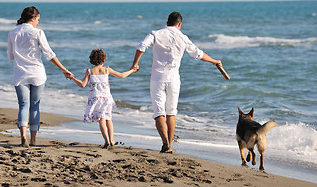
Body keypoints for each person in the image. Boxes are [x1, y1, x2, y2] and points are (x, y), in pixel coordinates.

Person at [131, 12, 222, 153]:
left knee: (159, 113)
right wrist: (214, 61)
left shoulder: (155, 34)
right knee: (171, 113)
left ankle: (165, 143)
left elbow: (141, 46)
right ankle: (169, 145)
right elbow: (198, 54)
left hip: (157, 78)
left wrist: (135, 64)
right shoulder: (183, 37)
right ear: (180, 24)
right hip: (174, 79)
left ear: (167, 22)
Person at [7, 6, 73, 148]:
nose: (38, 23)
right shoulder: (38, 33)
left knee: (23, 105)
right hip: (37, 73)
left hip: (20, 73)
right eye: (38, 20)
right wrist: (64, 69)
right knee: (35, 106)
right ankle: (33, 140)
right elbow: (49, 54)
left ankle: (23, 136)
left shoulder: (12, 33)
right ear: (32, 19)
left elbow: (11, 56)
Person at [70, 49, 135, 149]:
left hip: (95, 99)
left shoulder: (89, 71)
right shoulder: (107, 70)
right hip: (107, 99)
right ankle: (112, 140)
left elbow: (82, 84)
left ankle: (107, 141)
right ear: (103, 60)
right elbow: (121, 75)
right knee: (108, 118)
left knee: (101, 119)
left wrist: (73, 78)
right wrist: (132, 70)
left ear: (91, 60)